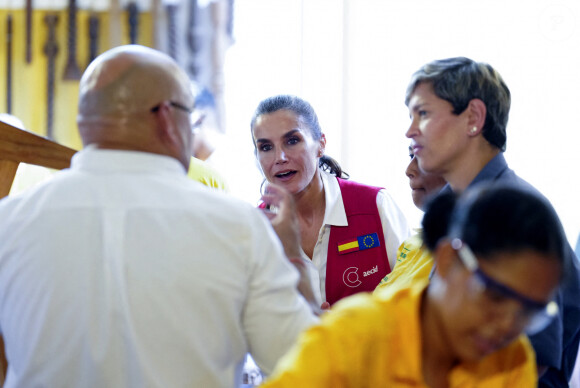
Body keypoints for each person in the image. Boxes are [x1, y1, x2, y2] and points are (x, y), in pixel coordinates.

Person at [0, 45, 318, 387]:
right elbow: (306, 368)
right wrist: (291, 258)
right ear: (167, 118)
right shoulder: (238, 227)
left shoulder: (9, 222)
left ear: (86, 122)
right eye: (191, 118)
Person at [261, 184, 569, 387]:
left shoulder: (512, 363)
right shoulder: (355, 338)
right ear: (448, 259)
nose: (506, 326)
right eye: (496, 297)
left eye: (527, 314)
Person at [404, 56, 580, 386]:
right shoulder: (453, 207)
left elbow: (532, 362)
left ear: (473, 118)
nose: (410, 130)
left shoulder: (516, 213)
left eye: (423, 114)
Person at [250, 95, 410, 307]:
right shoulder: (254, 230)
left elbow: (414, 301)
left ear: (320, 145)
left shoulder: (376, 206)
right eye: (266, 147)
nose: (279, 157)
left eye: (292, 141)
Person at [376, 144, 446, 289]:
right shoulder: (411, 244)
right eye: (411, 156)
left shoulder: (466, 249)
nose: (409, 170)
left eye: (422, 156)